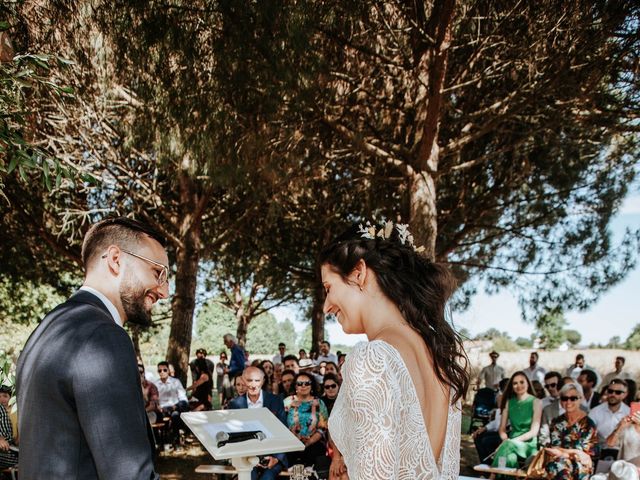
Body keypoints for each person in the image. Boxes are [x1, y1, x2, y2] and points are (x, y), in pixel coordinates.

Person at [16, 217, 167, 479]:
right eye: (158, 272)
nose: (164, 290)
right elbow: (129, 473)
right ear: (115, 259)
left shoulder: (44, 332)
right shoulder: (104, 336)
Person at [319, 222, 469, 479]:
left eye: (328, 288)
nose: (325, 306)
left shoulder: (373, 359)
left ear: (359, 273)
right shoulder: (442, 354)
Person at [229, 367, 289, 480]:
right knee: (248, 477)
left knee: (267, 478)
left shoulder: (275, 400)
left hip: (273, 456)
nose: (253, 384)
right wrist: (249, 457)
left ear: (263, 380)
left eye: (257, 381)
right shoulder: (235, 404)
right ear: (243, 380)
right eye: (249, 380)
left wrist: (276, 458)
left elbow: (283, 431)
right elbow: (234, 435)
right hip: (246, 457)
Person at [545, 382, 599, 479]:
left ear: (580, 399)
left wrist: (564, 453)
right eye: (564, 398)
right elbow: (555, 448)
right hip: (560, 461)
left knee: (563, 467)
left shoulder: (588, 424)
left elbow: (585, 454)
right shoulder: (557, 422)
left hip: (582, 464)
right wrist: (576, 452)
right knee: (557, 466)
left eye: (573, 398)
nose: (568, 402)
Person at [492, 371, 542, 470]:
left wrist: (509, 443)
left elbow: (534, 432)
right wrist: (506, 441)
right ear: (512, 386)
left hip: (528, 445)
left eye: (522, 382)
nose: (518, 385)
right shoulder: (508, 402)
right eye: (515, 383)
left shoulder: (536, 402)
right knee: (510, 458)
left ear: (527, 383)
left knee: (506, 450)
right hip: (510, 442)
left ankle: (492, 476)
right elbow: (502, 428)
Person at [284, 372, 329, 469]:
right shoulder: (287, 402)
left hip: (314, 444)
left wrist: (308, 442)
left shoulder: (319, 403)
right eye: (299, 383)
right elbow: (281, 423)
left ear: (312, 385)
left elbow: (323, 428)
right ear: (295, 386)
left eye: (307, 383)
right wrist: (295, 440)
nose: (303, 386)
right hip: (291, 443)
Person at [589, 379, 631, 447]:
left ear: (625, 395)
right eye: (610, 391)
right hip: (600, 451)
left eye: (618, 392)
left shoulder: (629, 413)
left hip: (622, 453)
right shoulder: (595, 412)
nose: (613, 394)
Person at [0, 386, 18, 470]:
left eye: (5, 396)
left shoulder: (15, 412)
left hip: (13, 447)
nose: (2, 399)